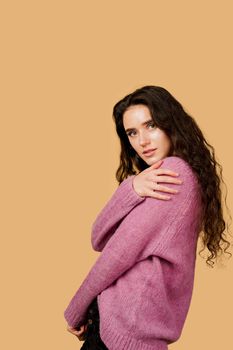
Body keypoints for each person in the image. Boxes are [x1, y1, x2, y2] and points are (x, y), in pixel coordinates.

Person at [64, 85, 232, 350]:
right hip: (126, 328)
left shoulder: (173, 175)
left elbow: (116, 252)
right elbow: (98, 236)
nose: (142, 141)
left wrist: (75, 309)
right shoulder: (156, 179)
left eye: (151, 125)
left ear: (171, 125)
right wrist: (130, 188)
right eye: (132, 132)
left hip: (124, 331)